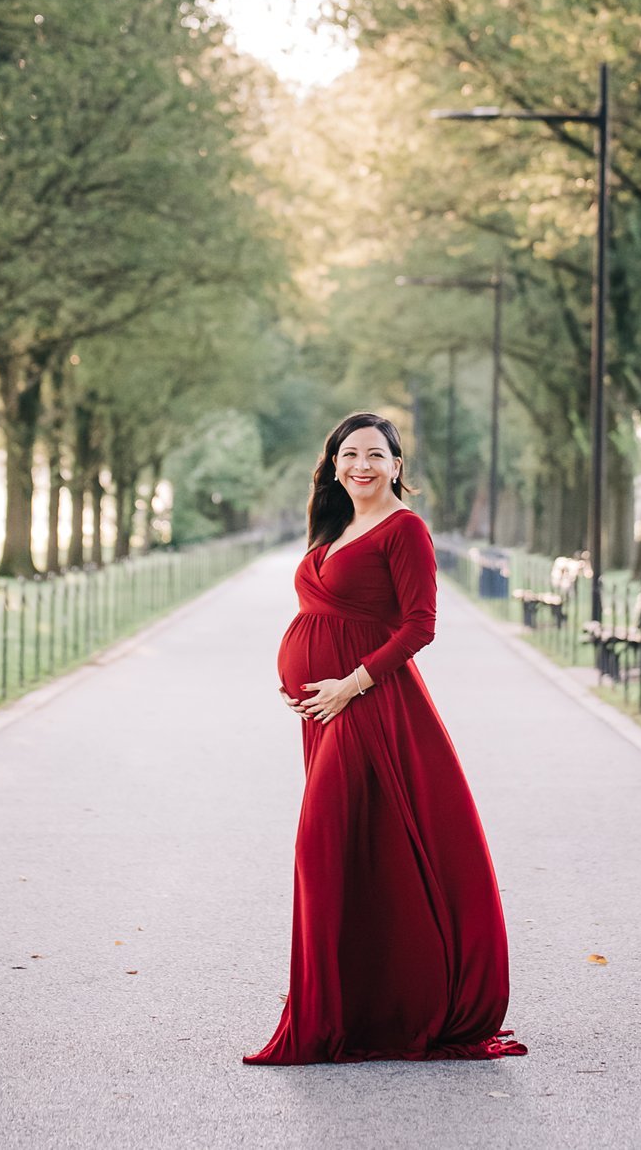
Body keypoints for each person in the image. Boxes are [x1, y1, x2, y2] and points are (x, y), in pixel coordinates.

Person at [243, 411, 529, 1065]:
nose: (361, 465)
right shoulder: (338, 525)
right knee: (362, 852)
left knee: (325, 843)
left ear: (398, 465)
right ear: (334, 462)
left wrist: (348, 683)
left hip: (373, 706)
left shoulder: (406, 529)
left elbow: (420, 625)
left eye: (375, 454)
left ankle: (348, 1008)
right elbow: (321, 612)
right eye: (350, 454)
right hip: (328, 713)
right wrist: (304, 680)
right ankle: (360, 1004)